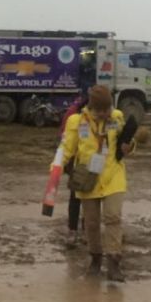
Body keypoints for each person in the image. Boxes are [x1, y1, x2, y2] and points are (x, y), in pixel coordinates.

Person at [60, 85, 136, 282]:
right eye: (100, 110)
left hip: (113, 176)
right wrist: (56, 165)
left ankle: (114, 262)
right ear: (91, 107)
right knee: (91, 223)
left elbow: (127, 143)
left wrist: (130, 147)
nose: (104, 113)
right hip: (88, 178)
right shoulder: (77, 122)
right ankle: (95, 259)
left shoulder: (117, 117)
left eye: (107, 109)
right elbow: (67, 147)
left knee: (113, 217)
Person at [59, 95, 86, 248]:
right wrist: (63, 162)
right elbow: (65, 139)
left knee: (90, 199)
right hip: (75, 162)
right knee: (76, 196)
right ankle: (74, 230)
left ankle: (83, 229)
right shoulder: (74, 116)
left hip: (91, 163)